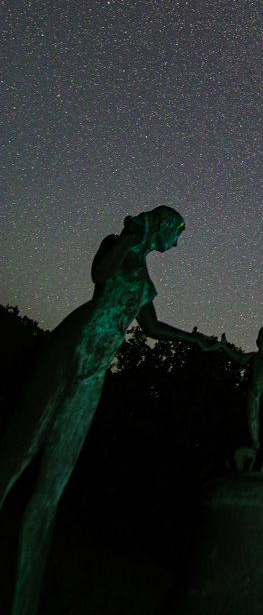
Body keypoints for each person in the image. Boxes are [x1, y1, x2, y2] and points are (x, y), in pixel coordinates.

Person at [0, 205, 217, 615]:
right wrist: (130, 235)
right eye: (178, 232)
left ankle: (22, 603)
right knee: (17, 456)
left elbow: (151, 328)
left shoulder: (146, 282)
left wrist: (196, 341)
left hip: (95, 372)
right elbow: (100, 275)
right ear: (163, 226)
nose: (178, 241)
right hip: (71, 349)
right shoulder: (121, 246)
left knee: (51, 491)